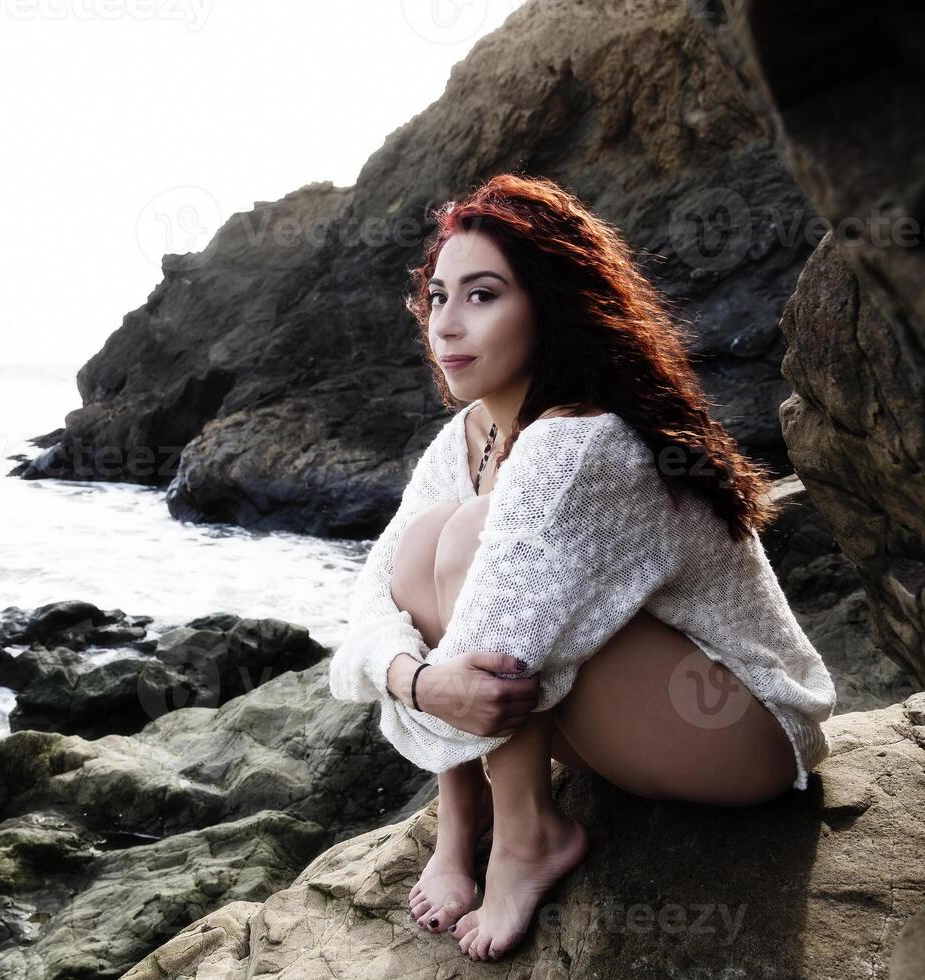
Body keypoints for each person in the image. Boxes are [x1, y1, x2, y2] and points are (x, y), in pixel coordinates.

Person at [327, 172, 837, 963]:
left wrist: (424, 681)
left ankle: (528, 835)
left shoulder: (581, 439)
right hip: (617, 723)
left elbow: (503, 638)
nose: (447, 325)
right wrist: (414, 679)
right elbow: (372, 600)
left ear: (550, 305)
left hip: (740, 728)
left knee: (464, 542)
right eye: (437, 297)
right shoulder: (464, 438)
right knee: (429, 535)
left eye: (482, 295)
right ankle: (464, 826)